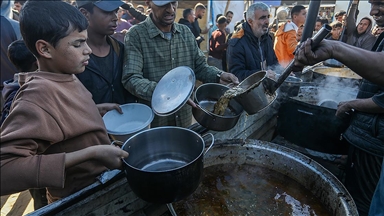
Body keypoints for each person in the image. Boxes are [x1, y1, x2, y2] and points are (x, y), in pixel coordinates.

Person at [0, 0, 129, 203]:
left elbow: (58, 119)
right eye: (77, 44)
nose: (88, 50)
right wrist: (92, 153)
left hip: (101, 191)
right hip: (80, 201)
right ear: (45, 49)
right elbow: (5, 170)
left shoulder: (64, 73)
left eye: (85, 41)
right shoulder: (36, 96)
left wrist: (93, 110)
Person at [294, 0, 384, 214]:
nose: (373, 11)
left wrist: (334, 47)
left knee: (364, 206)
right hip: (369, 138)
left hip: (376, 140)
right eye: (371, 3)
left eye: (380, 3)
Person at [122, 0, 238, 128]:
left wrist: (219, 75)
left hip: (184, 117)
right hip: (156, 122)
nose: (171, 10)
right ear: (148, 3)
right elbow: (131, 78)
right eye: (163, 4)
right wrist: (167, 93)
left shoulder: (186, 33)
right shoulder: (136, 35)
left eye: (173, 3)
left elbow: (200, 67)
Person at [77, 0, 136, 105]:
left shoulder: (120, 49)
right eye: (107, 12)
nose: (115, 17)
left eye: (116, 11)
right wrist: (95, 110)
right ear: (84, 14)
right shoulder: (72, 55)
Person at [227, 2, 279, 82]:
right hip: (247, 93)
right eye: (262, 18)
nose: (267, 22)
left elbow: (274, 63)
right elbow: (236, 74)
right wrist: (262, 75)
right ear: (250, 22)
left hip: (268, 91)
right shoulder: (237, 42)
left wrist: (282, 72)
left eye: (268, 17)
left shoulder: (267, 38)